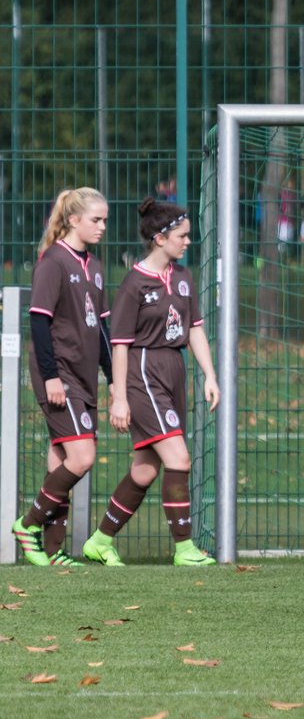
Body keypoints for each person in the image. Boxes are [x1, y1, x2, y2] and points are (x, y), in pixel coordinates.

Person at [81, 198, 220, 566]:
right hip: (144, 373)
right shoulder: (134, 285)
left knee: (145, 469)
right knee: (179, 458)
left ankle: (99, 540)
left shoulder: (184, 277)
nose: (188, 242)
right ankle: (185, 548)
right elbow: (121, 345)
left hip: (173, 370)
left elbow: (194, 329)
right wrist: (120, 397)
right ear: (160, 238)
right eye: (182, 236)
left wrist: (210, 374)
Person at [12, 188, 113, 567]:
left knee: (61, 459)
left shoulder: (96, 267)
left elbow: (102, 330)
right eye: (95, 220)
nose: (102, 226)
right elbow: (39, 322)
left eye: (105, 219)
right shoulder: (53, 262)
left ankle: (52, 552)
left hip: (85, 377)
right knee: (83, 456)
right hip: (59, 374)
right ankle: (28, 524)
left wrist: (112, 378)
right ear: (73, 220)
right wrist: (51, 376)